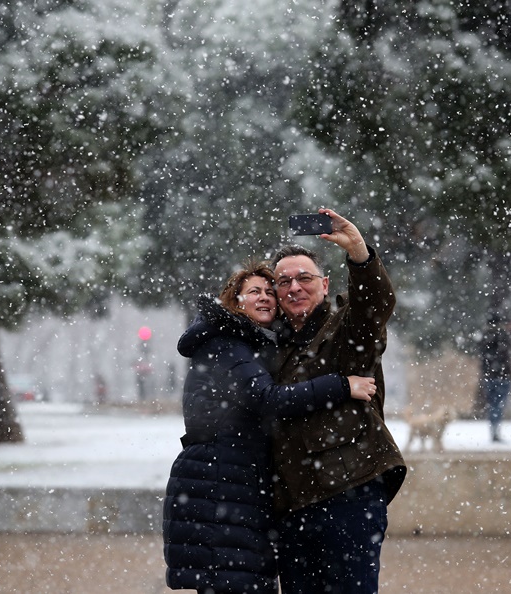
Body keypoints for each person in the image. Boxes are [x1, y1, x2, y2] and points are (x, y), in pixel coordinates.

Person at [163, 261, 378, 594]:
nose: (264, 298)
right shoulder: (228, 343)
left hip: (229, 480)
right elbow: (266, 399)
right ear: (234, 302)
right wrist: (341, 385)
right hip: (221, 481)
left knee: (241, 582)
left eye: (268, 292)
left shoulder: (246, 344)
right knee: (236, 583)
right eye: (253, 292)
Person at [269, 208, 407, 594]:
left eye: (304, 278)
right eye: (284, 281)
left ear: (325, 284)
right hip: (291, 506)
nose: (294, 287)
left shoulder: (344, 331)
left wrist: (360, 256)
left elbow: (372, 308)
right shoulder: (268, 349)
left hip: (347, 495)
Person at [479, 312, 511, 442]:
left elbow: (484, 356)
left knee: (493, 405)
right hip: (502, 376)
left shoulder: (484, 336)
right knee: (498, 404)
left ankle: (493, 429)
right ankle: (495, 431)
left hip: (489, 376)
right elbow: (504, 354)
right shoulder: (502, 335)